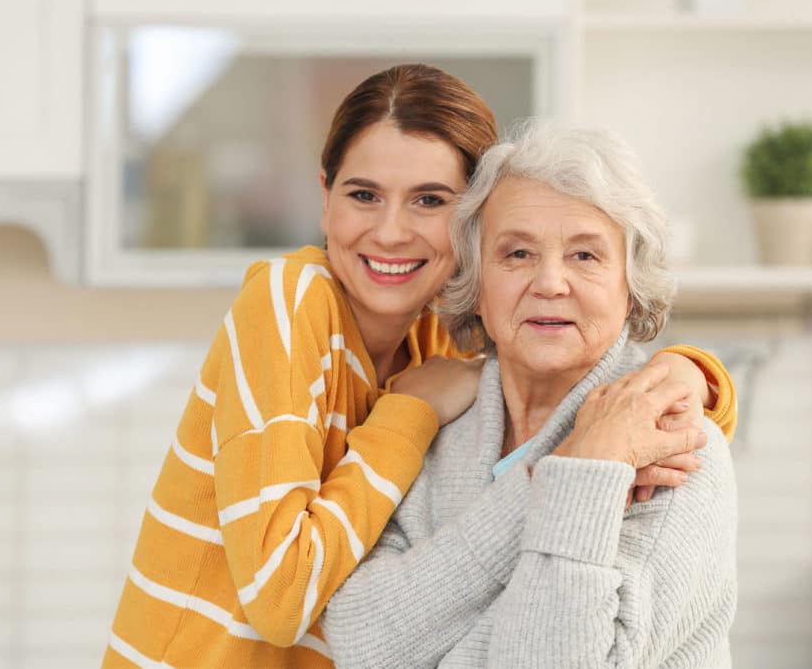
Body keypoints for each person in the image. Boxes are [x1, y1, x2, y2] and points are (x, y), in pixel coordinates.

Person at [103, 68, 737, 669]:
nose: (391, 232)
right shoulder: (296, 307)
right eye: (363, 195)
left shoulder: (444, 342)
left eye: (428, 200)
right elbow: (316, 615)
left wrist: (692, 375)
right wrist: (570, 469)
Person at [322, 122, 737, 669]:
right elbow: (360, 641)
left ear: (631, 289)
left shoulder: (678, 446)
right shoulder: (433, 434)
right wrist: (568, 471)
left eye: (585, 256)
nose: (549, 283)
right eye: (517, 253)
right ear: (476, 286)